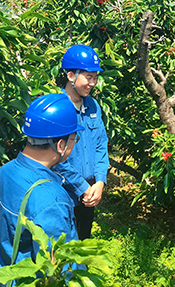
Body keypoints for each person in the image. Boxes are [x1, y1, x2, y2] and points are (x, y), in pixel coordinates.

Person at [0, 93, 84, 282]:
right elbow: (60, 270)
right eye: (75, 139)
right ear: (61, 145)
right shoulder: (51, 199)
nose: (75, 144)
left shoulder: (3, 173)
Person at [52, 44, 109, 240]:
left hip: (90, 192)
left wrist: (100, 181)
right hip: (65, 191)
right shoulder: (57, 109)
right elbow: (55, 156)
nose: (93, 83)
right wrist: (81, 187)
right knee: (62, 244)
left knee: (83, 239)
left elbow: (101, 144)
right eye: (88, 77)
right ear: (70, 76)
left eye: (95, 77)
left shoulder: (93, 105)